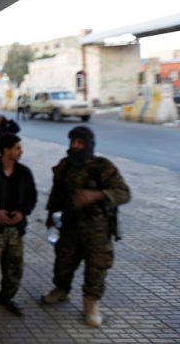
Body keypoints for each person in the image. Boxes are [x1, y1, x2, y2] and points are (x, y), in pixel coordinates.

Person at [41, 126, 130, 327]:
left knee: (96, 267)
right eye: (73, 141)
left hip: (97, 228)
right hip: (70, 225)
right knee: (63, 261)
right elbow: (57, 192)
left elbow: (124, 193)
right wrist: (50, 214)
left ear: (89, 144)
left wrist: (97, 195)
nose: (75, 146)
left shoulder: (103, 167)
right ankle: (61, 290)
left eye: (80, 142)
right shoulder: (65, 166)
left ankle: (91, 304)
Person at [0, 134, 37, 316]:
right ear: (6, 150)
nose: (21, 151)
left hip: (15, 229)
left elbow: (32, 196)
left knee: (14, 267)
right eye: (17, 148)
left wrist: (22, 213)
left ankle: (6, 298)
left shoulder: (24, 172)